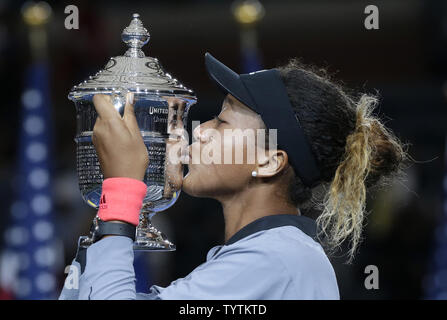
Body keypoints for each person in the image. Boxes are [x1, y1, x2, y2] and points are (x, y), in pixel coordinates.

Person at [59, 53, 405, 300]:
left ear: (270, 161)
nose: (202, 131)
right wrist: (126, 197)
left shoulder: (275, 260)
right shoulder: (266, 254)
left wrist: (121, 191)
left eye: (222, 122)